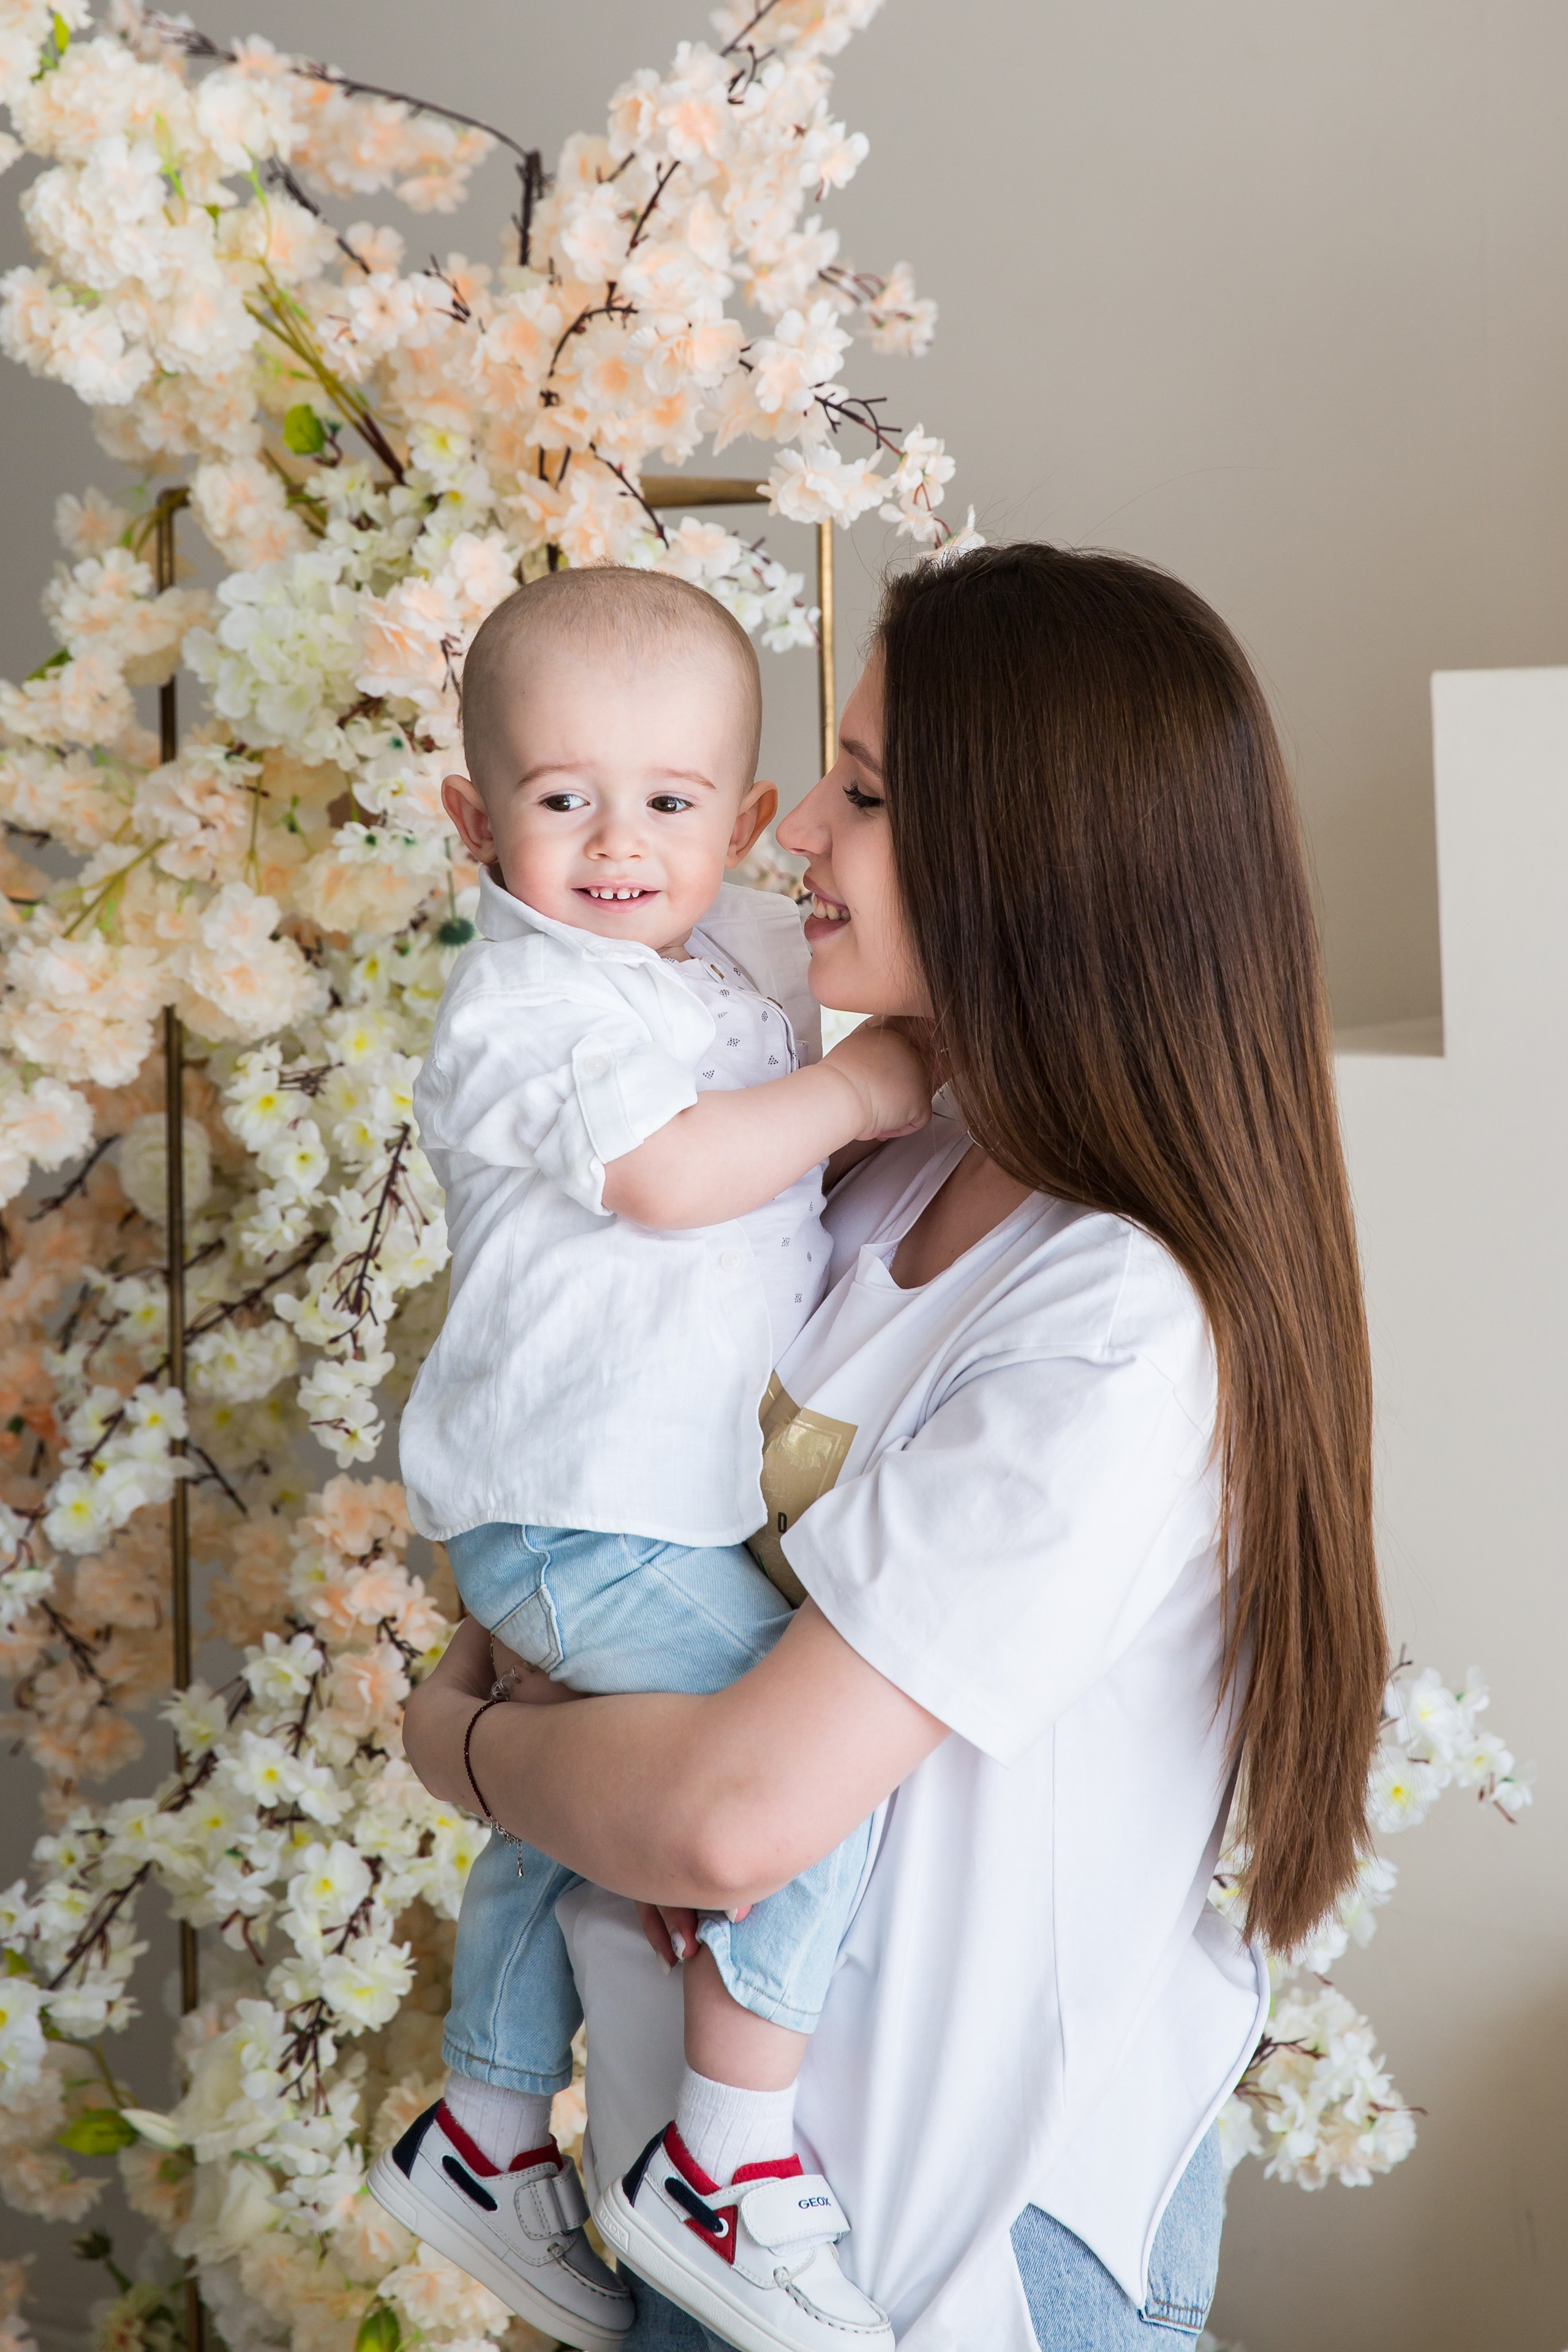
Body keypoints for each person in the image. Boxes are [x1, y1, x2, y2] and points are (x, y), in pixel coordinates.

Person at [401, 542, 1388, 2351]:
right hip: (721, 2214)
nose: (795, 843)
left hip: (943, 2261)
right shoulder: (892, 1171)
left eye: (858, 796)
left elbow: (728, 1811)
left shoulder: (1117, 1316)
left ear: (1028, 859)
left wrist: (454, 1744)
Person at [375, 567, 930, 2352]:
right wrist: (865, 1090)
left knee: (569, 1818)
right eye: (562, 799)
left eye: (674, 802)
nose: (620, 842)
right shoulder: (527, 1009)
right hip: (584, 1508)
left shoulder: (741, 952)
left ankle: (482, 2124)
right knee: (779, 1790)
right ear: (478, 820)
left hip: (624, 1510)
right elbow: (678, 1173)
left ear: (746, 823)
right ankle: (729, 2156)